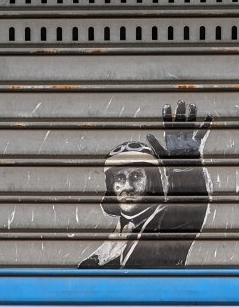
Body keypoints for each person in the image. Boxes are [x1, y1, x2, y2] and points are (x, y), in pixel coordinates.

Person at [78, 101, 212, 269]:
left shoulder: (164, 224)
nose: (128, 187)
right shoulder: (117, 238)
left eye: (136, 176)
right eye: (120, 178)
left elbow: (187, 210)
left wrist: (184, 170)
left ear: (152, 181)